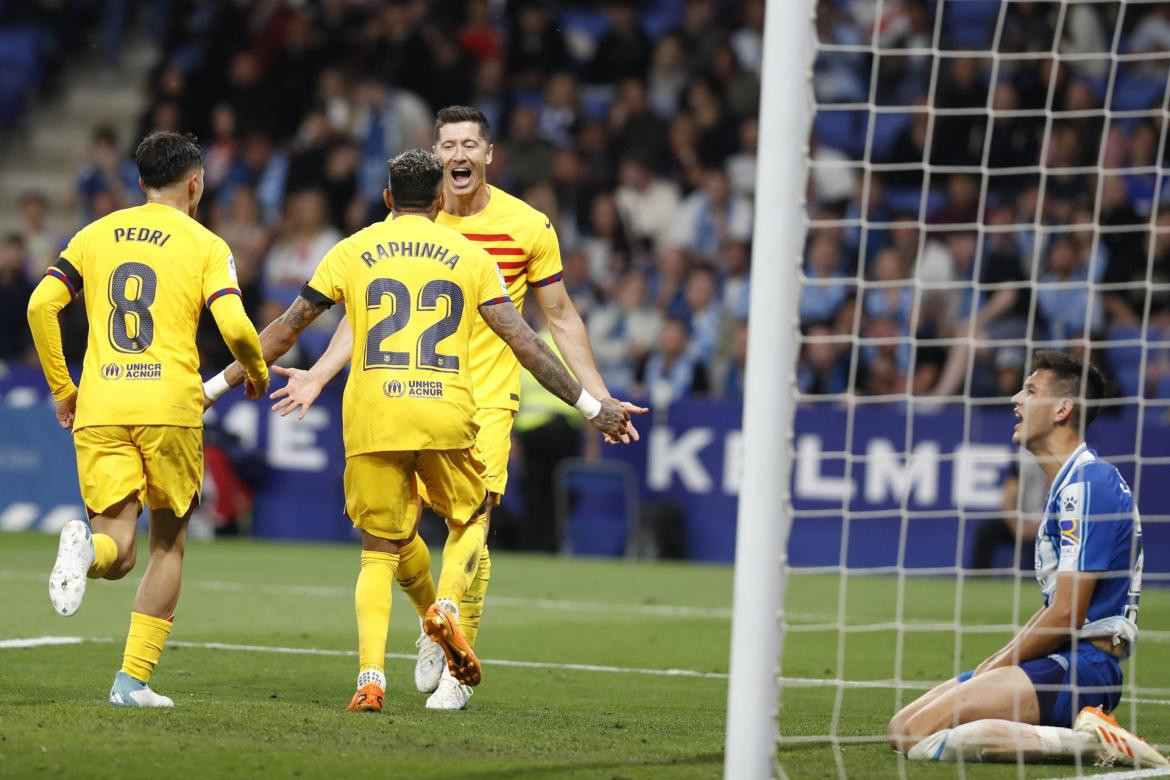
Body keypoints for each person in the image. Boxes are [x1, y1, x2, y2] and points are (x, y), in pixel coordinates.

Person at [202, 149, 632, 714]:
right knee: (470, 517)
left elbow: (284, 331)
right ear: (437, 203)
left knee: (378, 551)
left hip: (373, 415)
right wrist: (588, 404)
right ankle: (446, 610)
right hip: (444, 412)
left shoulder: (353, 250)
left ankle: (371, 679)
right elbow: (525, 342)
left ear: (386, 199)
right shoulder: (469, 255)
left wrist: (211, 390)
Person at [27, 132, 269, 708]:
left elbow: (41, 305)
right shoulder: (207, 243)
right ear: (195, 184)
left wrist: (65, 389)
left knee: (118, 548)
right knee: (166, 546)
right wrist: (254, 371)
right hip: (169, 408)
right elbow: (235, 328)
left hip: (102, 405)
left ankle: (87, 550)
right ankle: (131, 683)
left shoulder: (94, 233)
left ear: (140, 183)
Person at [888, 351, 1166, 767]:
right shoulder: (1069, 484)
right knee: (901, 728)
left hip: (1084, 669)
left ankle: (1092, 742)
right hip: (1059, 659)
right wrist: (991, 664)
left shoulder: (1090, 484)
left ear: (1062, 409)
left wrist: (997, 665)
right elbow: (1056, 609)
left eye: (1030, 391)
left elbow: (1069, 613)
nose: (1016, 399)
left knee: (920, 734)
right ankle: (1080, 734)